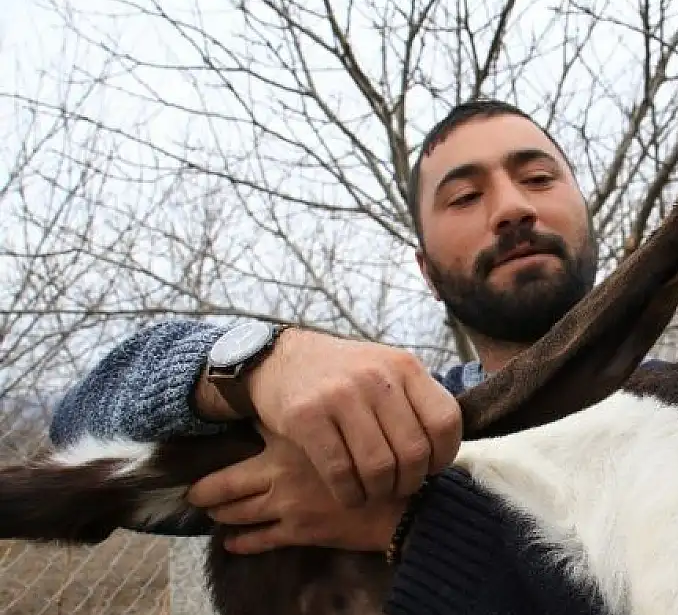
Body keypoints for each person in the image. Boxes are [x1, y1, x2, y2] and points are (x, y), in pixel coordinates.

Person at [49, 98, 636, 614]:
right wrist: (257, 364)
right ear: (427, 271)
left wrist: (412, 525)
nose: (510, 208)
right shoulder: (377, 428)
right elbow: (76, 432)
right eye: (464, 196)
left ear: (586, 216)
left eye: (536, 178)